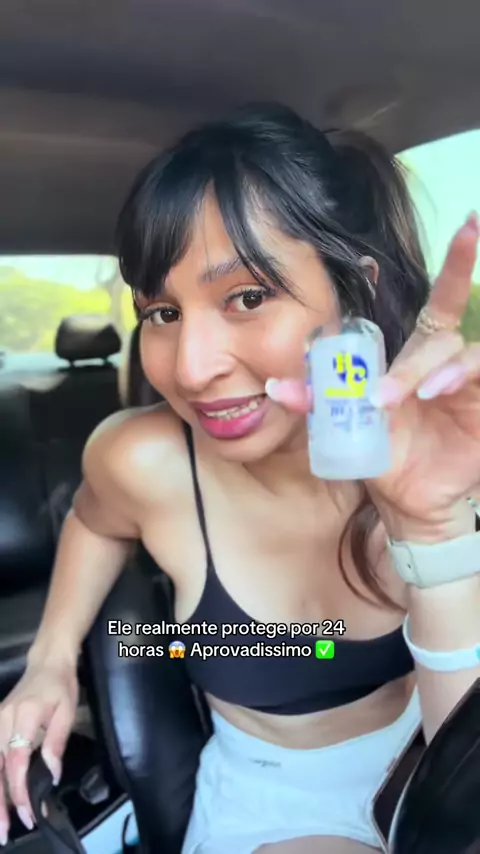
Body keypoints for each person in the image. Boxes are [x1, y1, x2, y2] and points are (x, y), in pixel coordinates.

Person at [1, 103, 479, 854]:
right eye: (162, 312)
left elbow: (462, 786)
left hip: (426, 774)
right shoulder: (142, 461)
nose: (191, 369)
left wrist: (435, 532)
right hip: (267, 803)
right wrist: (50, 661)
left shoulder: (441, 458)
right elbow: (93, 520)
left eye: (248, 298)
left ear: (352, 296)